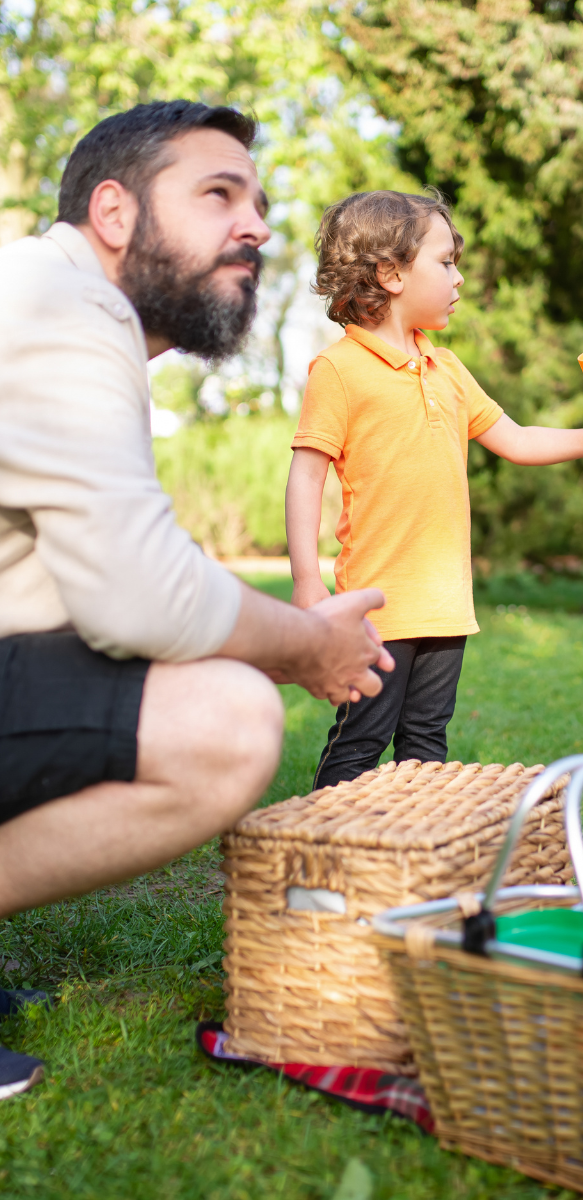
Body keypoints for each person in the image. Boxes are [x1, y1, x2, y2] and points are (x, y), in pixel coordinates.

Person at [0, 101, 395, 1096]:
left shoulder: (50, 301)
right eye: (218, 193)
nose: (255, 224)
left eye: (257, 202)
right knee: (223, 719)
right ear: (115, 213)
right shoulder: (58, 308)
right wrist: (304, 642)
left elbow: (98, 576)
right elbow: (137, 595)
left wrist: (258, 623)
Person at [285, 190, 583, 787]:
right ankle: (324, 857)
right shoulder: (340, 370)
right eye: (445, 262)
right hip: (379, 606)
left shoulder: (446, 367)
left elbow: (519, 440)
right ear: (390, 273)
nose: (458, 278)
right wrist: (305, 580)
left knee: (427, 742)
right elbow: (307, 471)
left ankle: (419, 861)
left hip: (446, 602)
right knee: (362, 739)